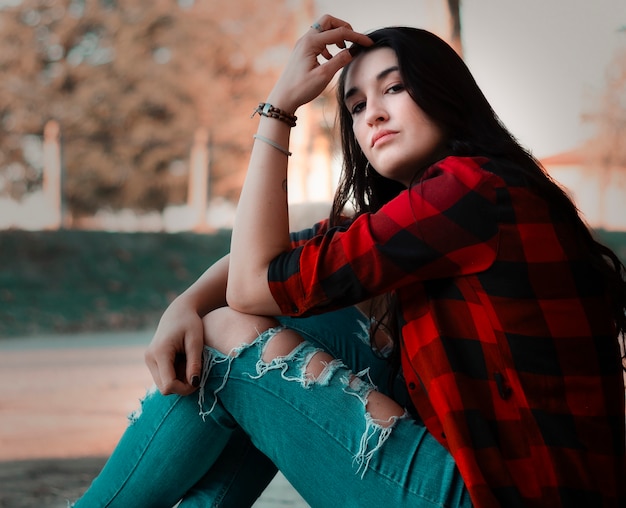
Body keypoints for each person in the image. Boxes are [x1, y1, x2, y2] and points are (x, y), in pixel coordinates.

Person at [73, 14, 626, 507]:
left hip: (498, 494)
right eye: (357, 106)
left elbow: (250, 285)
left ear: (444, 92)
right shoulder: (442, 206)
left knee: (228, 336)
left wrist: (280, 110)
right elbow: (279, 256)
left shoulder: (468, 191)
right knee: (307, 321)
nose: (373, 115)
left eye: (395, 88)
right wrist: (184, 305)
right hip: (499, 484)